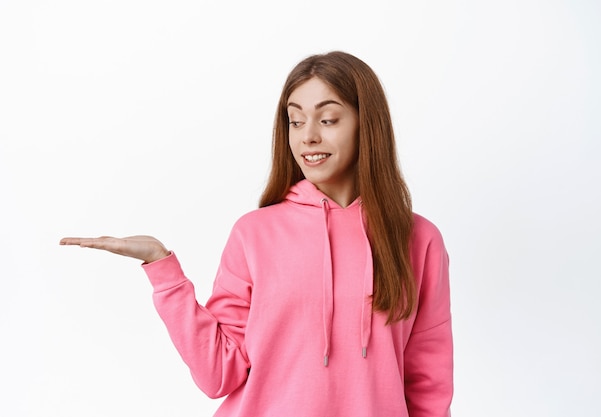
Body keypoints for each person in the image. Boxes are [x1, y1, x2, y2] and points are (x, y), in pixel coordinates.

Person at [60, 51, 453, 417]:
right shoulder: (255, 233)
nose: (307, 136)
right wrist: (162, 268)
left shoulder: (418, 239)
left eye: (327, 119)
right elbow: (219, 375)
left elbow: (428, 386)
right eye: (296, 121)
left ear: (367, 125)